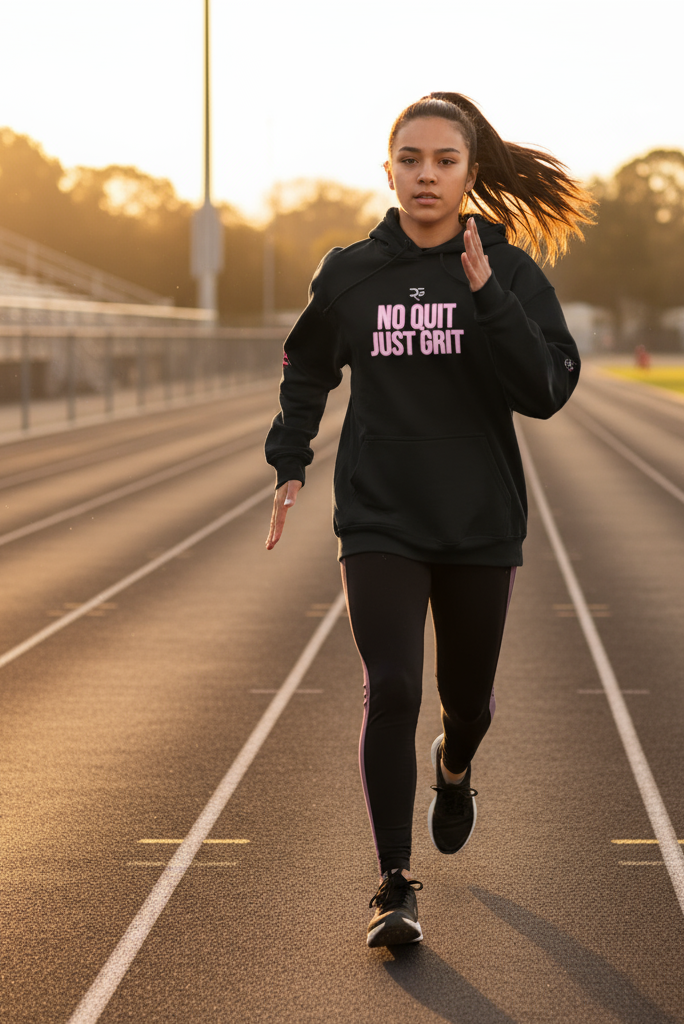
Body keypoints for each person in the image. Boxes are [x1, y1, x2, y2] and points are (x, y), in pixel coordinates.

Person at [264, 92, 591, 948]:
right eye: (410, 159)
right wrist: (290, 461)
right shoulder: (350, 273)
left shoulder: (511, 273)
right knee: (393, 687)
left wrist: (486, 295)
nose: (426, 176)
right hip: (380, 518)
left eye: (445, 161)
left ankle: (456, 765)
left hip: (481, 521)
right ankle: (393, 882)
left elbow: (546, 390)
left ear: (471, 173)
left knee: (468, 702)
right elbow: (306, 365)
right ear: (388, 170)